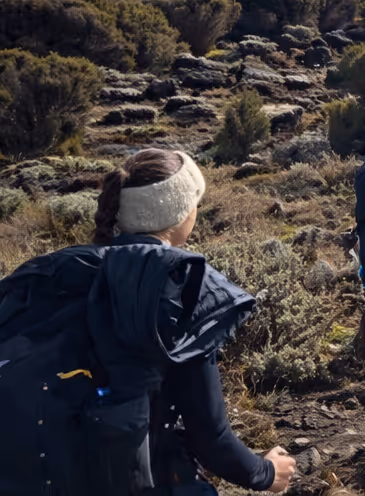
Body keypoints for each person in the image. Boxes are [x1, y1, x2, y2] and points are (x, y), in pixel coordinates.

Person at [0, 148, 295, 495]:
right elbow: (210, 437)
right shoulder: (175, 287)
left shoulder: (54, 273)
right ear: (182, 210)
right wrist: (266, 472)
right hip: (131, 478)